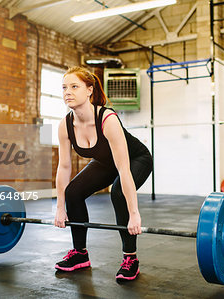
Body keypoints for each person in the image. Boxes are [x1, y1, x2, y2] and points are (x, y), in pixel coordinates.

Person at [54, 66, 153, 281]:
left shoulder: (107, 119)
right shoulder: (65, 125)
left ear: (89, 90)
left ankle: (130, 258)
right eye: (64, 88)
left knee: (118, 193)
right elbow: (63, 167)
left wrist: (134, 212)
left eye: (74, 86)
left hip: (136, 159)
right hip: (105, 162)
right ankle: (80, 254)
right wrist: (60, 208)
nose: (67, 92)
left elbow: (124, 168)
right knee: (73, 193)